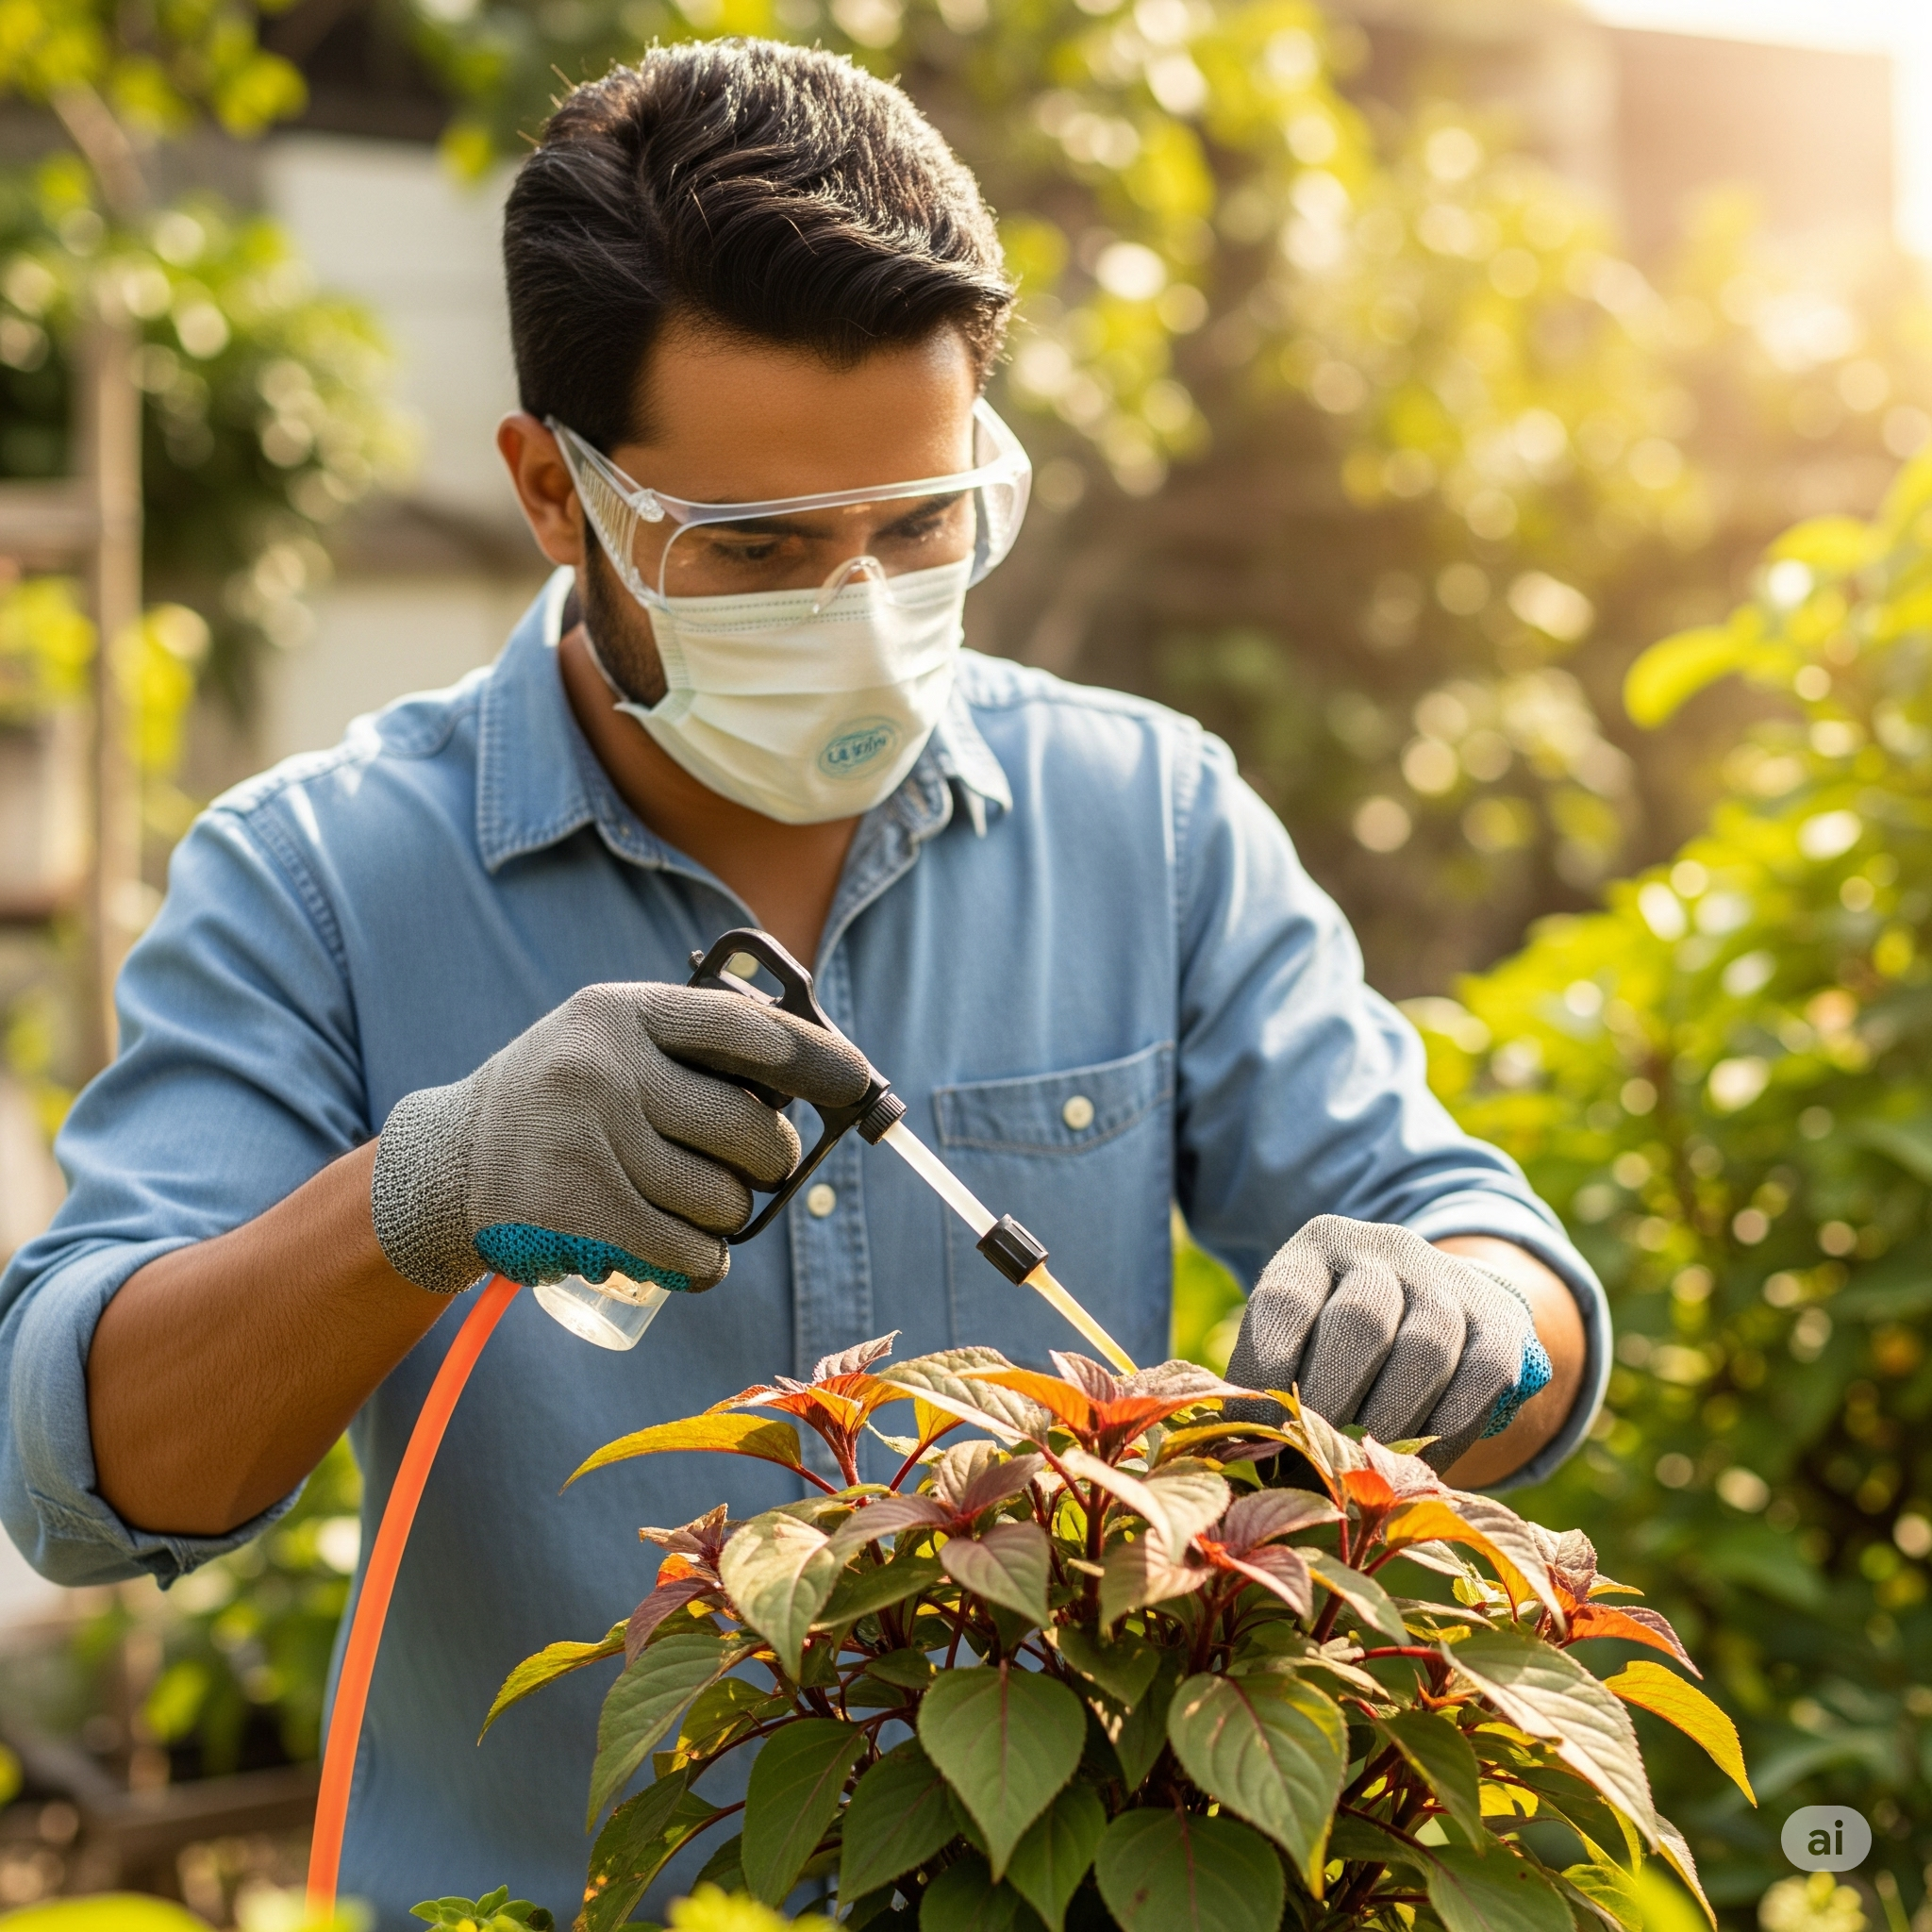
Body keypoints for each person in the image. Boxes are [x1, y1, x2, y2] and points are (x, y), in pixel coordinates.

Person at [0, 40, 1607, 1923]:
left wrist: (1456, 1307)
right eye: (754, 550)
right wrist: (420, 1194)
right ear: (551, 490)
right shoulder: (320, 879)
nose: (855, 613)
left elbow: (1503, 1290)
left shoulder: (1145, 815)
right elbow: (79, 1472)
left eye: (920, 526)